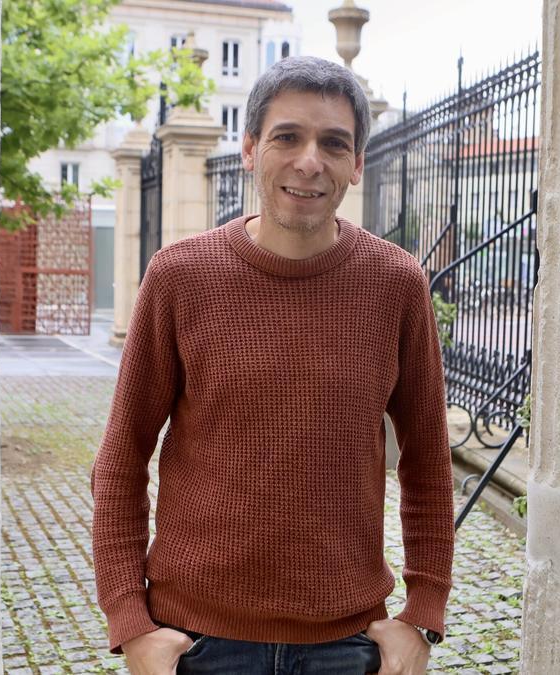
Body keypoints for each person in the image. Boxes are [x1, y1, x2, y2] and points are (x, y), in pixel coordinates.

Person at [91, 55, 455, 675]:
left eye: (334, 143)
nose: (310, 161)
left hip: (347, 646)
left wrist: (423, 613)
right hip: (196, 644)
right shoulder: (180, 276)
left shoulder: (396, 283)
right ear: (250, 148)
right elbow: (123, 455)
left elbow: (427, 458)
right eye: (288, 136)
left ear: (357, 163)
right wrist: (130, 622)